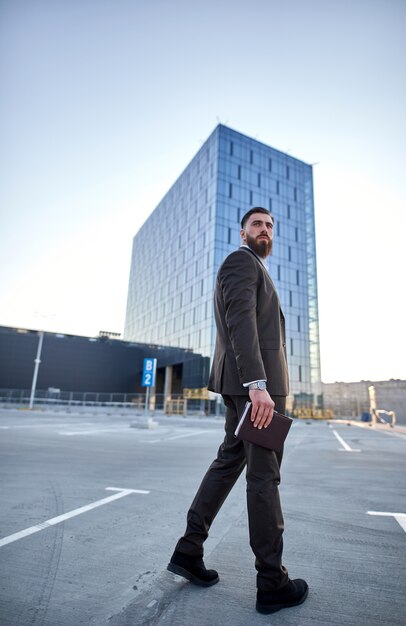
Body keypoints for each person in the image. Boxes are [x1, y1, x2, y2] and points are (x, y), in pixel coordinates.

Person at [167, 207, 308, 614]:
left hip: (249, 387)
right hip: (255, 390)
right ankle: (272, 582)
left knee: (229, 462)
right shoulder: (239, 261)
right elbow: (240, 320)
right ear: (242, 232)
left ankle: (189, 550)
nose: (264, 230)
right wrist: (258, 385)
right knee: (264, 478)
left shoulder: (255, 268)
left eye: (269, 226)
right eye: (257, 225)